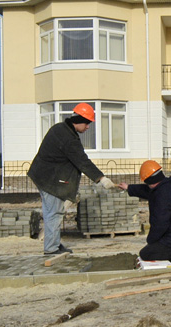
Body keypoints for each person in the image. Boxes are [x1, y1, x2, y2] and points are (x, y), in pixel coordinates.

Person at [28, 103, 115, 255]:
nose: (88, 127)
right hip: (50, 181)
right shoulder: (68, 138)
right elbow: (82, 161)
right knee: (54, 213)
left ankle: (53, 243)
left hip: (44, 175)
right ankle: (51, 249)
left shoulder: (60, 128)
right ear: (80, 120)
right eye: (87, 123)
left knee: (54, 212)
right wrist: (101, 178)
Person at [118, 160, 171, 264]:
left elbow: (160, 223)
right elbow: (146, 190)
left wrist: (151, 242)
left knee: (146, 254)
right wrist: (129, 188)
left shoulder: (162, 195)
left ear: (149, 181)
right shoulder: (167, 185)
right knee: (153, 248)